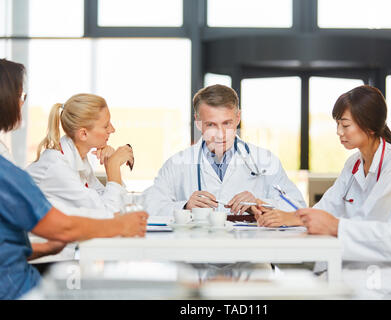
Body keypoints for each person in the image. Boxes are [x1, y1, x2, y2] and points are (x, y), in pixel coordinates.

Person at [268, 61, 391, 299]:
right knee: (291, 281)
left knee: (306, 288)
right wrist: (301, 219)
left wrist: (334, 226)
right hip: (389, 268)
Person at [0, 58, 148, 300]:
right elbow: (68, 225)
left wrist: (43, 247)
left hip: (40, 266)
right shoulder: (41, 167)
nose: (112, 130)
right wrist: (113, 173)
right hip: (24, 284)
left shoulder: (73, 160)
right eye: (20, 95)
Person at [257, 85, 391, 230]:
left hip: (377, 256)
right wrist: (285, 216)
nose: (339, 132)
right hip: (345, 251)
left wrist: (295, 219)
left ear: (370, 127)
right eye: (337, 124)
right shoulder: (353, 163)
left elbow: (370, 217)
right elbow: (326, 206)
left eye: (345, 125)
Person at [140, 84, 306, 216]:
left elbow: (298, 207)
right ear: (198, 122)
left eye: (227, 123)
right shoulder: (176, 164)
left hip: (250, 256)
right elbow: (149, 205)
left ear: (238, 118)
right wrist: (185, 206)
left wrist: (260, 203)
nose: (220, 134)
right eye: (211, 124)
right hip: (197, 256)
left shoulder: (265, 160)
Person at [27, 93, 134, 219]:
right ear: (83, 134)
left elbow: (118, 206)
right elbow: (109, 215)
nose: (112, 129)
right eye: (106, 126)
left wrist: (109, 165)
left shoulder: (78, 157)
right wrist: (113, 166)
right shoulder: (58, 167)